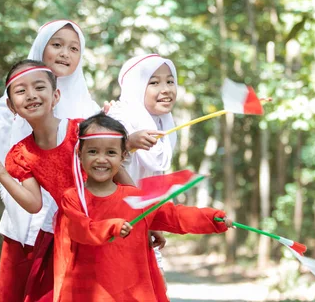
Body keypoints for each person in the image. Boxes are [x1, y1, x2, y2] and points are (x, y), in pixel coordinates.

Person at [0, 20, 100, 302]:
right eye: (57, 45)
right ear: (41, 47)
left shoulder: (90, 112)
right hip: (21, 226)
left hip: (70, 235)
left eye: (73, 48)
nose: (65, 53)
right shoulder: (18, 96)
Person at [0, 60, 134, 302]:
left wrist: (144, 219)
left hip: (107, 229)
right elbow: (34, 204)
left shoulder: (82, 132)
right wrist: (1, 174)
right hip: (63, 238)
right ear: (11, 105)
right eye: (20, 91)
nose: (31, 95)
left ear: (56, 95)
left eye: (39, 87)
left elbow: (119, 174)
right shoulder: (21, 153)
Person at [59, 113, 233, 302]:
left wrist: (213, 219)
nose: (101, 159)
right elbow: (81, 230)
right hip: (90, 292)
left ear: (123, 155)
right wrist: (113, 227)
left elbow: (173, 216)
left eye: (110, 152)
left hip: (133, 291)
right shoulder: (73, 198)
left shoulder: (135, 198)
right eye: (93, 152)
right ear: (79, 154)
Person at [108, 53, 179, 273]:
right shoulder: (118, 118)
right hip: (114, 222)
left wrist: (152, 221)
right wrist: (127, 143)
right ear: (135, 87)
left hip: (141, 220)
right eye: (154, 82)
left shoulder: (165, 125)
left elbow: (154, 180)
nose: (166, 89)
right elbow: (102, 164)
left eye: (170, 81)